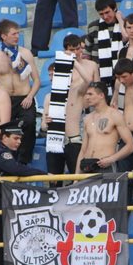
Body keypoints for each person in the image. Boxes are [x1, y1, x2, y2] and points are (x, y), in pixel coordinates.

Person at [0, 120, 48, 265]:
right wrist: (44, 174)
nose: (19, 142)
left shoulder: (1, 153)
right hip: (2, 203)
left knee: (5, 245)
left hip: (4, 203)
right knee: (4, 245)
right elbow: (18, 170)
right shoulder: (1, 154)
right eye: (15, 138)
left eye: (20, 139)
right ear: (4, 137)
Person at [0, 19, 40, 164]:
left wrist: (30, 96)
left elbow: (36, 80)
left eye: (18, 33)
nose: (17, 36)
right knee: (6, 130)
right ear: (3, 36)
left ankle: (23, 161)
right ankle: (6, 160)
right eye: (13, 34)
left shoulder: (25, 53)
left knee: (29, 123)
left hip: (24, 97)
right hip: (5, 99)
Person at [45, 34, 99, 175]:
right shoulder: (60, 70)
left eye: (78, 49)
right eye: (71, 50)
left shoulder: (90, 66)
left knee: (78, 175)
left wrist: (74, 62)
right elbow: (44, 125)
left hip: (84, 111)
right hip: (62, 122)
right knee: (54, 179)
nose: (75, 52)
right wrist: (46, 121)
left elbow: (92, 85)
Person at [76, 81, 133, 174]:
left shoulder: (115, 115)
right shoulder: (87, 118)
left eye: (90, 94)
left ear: (101, 95)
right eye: (86, 94)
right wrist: (76, 177)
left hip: (104, 165)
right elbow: (83, 150)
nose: (87, 97)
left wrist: (112, 159)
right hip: (86, 165)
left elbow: (131, 146)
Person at [83, 0, 127, 94]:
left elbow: (127, 38)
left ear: (114, 8)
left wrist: (120, 20)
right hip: (99, 78)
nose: (105, 16)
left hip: (121, 77)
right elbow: (87, 54)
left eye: (107, 12)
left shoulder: (125, 24)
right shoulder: (93, 27)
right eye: (101, 14)